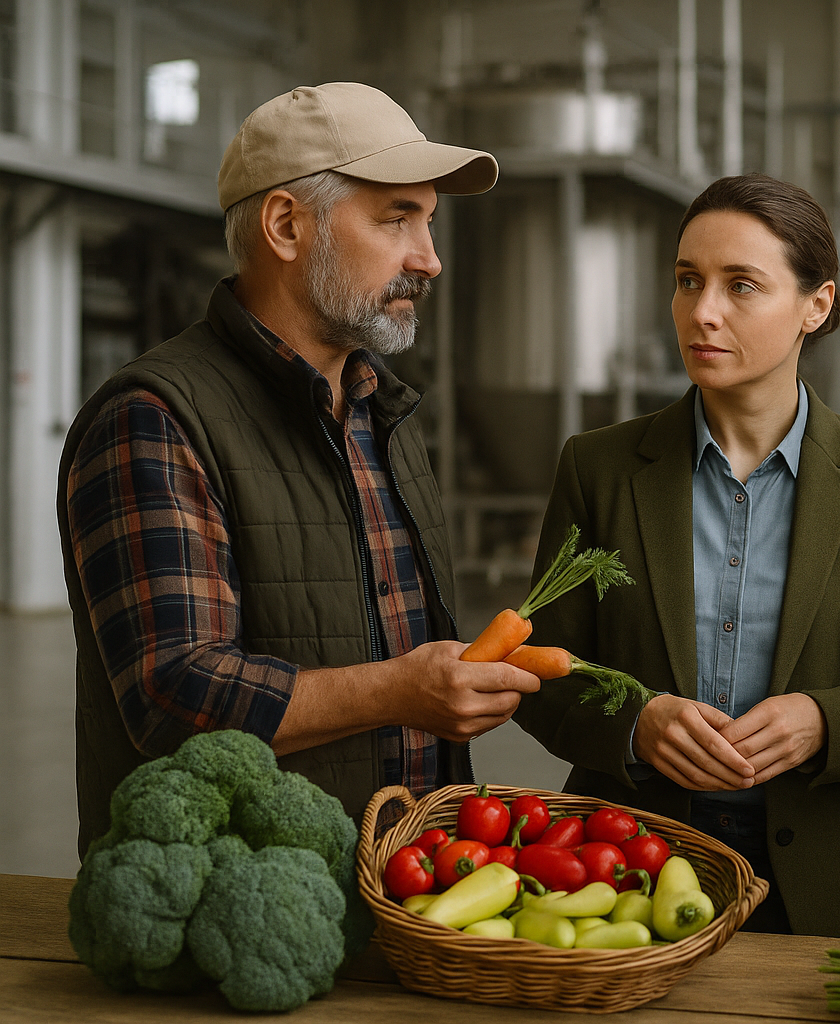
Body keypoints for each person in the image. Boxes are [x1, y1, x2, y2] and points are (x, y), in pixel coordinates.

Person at [59, 83, 542, 857]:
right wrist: (402, 690)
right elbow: (174, 695)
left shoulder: (383, 412)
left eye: (430, 221)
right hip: (240, 915)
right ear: (287, 225)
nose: (431, 259)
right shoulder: (154, 418)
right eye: (397, 218)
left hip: (402, 893)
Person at [513, 174, 840, 936]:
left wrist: (824, 721)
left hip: (827, 875)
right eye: (688, 281)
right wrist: (636, 723)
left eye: (740, 285)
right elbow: (538, 671)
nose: (702, 312)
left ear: (815, 306)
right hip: (623, 867)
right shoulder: (600, 466)